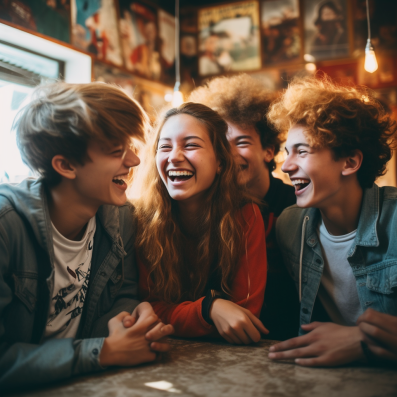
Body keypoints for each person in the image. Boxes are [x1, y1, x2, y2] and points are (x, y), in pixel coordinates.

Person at [0, 82, 174, 391]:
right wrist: (102, 352)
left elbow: (121, 295)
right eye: (116, 151)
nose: (134, 161)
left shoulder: (120, 217)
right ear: (65, 165)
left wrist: (134, 319)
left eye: (131, 147)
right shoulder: (6, 228)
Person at [267, 76, 397, 366]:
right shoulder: (290, 227)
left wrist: (362, 341)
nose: (286, 166)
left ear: (350, 162)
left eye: (302, 151)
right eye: (287, 152)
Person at [132, 102, 268, 344]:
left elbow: (243, 319)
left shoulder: (245, 215)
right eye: (164, 147)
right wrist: (209, 309)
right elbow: (150, 310)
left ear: (220, 163)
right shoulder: (142, 219)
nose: (174, 156)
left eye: (191, 145)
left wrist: (178, 316)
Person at [189, 74, 299, 341]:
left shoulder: (296, 205)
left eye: (242, 142)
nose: (230, 154)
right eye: (221, 145)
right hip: (220, 343)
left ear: (268, 151)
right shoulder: (205, 209)